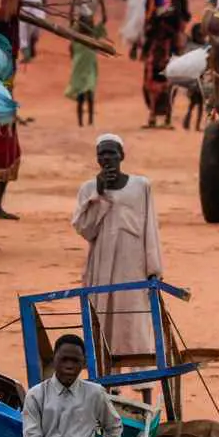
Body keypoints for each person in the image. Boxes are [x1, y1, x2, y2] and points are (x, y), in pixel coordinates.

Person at [72, 135, 162, 366]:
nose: (107, 158)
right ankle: (108, 388)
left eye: (111, 153)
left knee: (135, 326)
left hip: (134, 267)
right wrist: (99, 195)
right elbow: (85, 230)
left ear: (122, 155)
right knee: (102, 325)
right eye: (102, 154)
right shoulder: (88, 189)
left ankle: (145, 390)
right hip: (101, 267)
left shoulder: (141, 186)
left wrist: (154, 269)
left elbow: (149, 228)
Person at [139, 0, 191, 129]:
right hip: (156, 44)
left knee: (171, 80)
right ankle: (152, 115)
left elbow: (186, 17)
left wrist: (173, 16)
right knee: (151, 80)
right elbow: (147, 19)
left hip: (172, 45)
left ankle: (168, 117)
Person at [66, 0, 106, 127]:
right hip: (79, 67)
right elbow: (71, 19)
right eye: (86, 20)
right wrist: (74, 2)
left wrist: (102, 3)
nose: (88, 22)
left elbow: (104, 20)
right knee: (80, 97)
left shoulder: (94, 33)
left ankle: (90, 121)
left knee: (90, 93)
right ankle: (80, 123)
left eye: (90, 20)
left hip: (90, 67)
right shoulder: (76, 33)